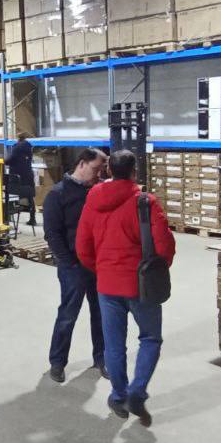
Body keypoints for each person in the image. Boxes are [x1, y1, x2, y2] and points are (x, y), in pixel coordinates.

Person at [76, 150, 176, 425]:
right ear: (134, 172)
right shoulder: (145, 202)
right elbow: (164, 244)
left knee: (114, 345)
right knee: (150, 339)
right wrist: (158, 269)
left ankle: (118, 396)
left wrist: (102, 270)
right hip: (141, 285)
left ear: (109, 171)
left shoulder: (92, 199)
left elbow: (82, 246)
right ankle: (137, 391)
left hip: (107, 285)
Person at [42, 147, 109, 384]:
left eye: (102, 170)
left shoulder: (98, 191)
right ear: (82, 164)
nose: (99, 174)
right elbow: (52, 234)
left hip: (98, 265)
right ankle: (57, 362)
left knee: (101, 313)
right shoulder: (57, 194)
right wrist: (69, 262)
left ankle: (102, 358)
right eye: (96, 169)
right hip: (73, 266)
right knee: (68, 314)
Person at [6, 132, 36, 226]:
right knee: (29, 196)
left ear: (18, 138)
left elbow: (11, 159)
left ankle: (8, 216)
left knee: (9, 194)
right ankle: (32, 218)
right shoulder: (29, 147)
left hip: (17, 176)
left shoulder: (17, 147)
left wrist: (3, 161)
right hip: (28, 175)